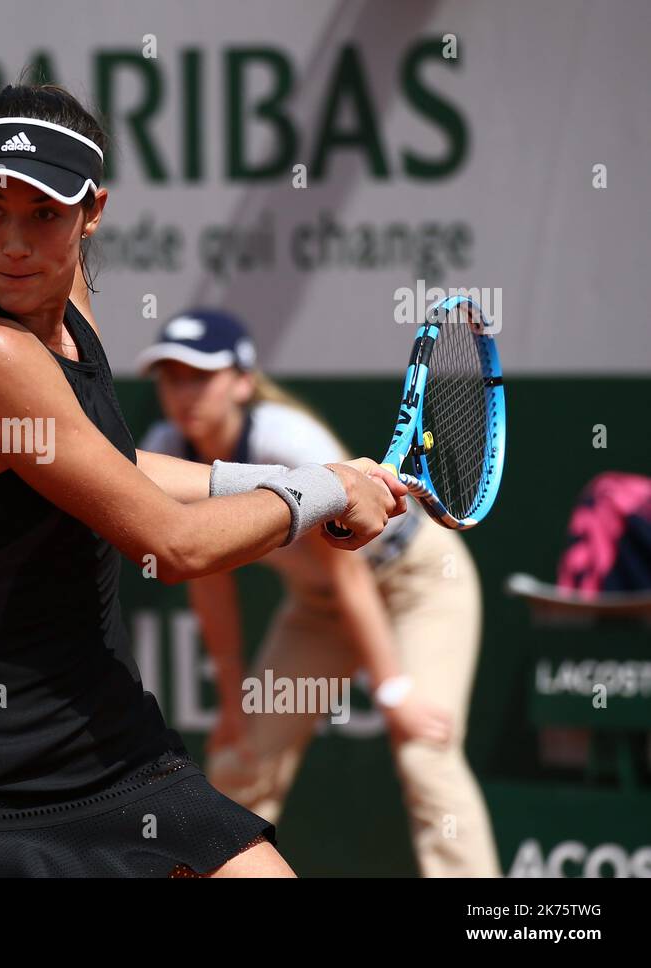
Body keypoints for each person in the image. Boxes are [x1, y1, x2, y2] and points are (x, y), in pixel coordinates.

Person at [0, 78, 406, 878]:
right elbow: (169, 545)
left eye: (45, 214)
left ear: (91, 211)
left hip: (111, 759)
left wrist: (303, 476)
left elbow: (116, 472)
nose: (14, 243)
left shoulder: (68, 312)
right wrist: (325, 492)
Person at [136, 309, 502, 876]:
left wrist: (395, 690)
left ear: (240, 381)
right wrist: (233, 698)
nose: (183, 393)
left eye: (199, 376)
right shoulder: (168, 446)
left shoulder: (288, 439)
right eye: (171, 377)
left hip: (416, 585)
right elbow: (203, 572)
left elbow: (349, 572)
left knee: (426, 754)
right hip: (320, 611)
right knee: (241, 755)